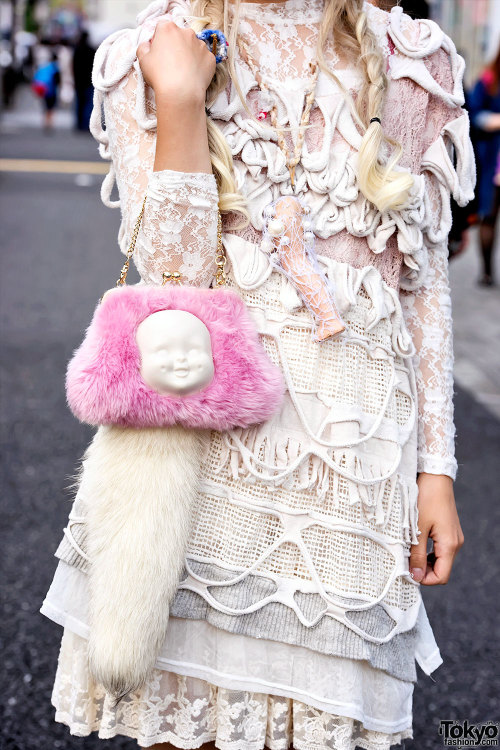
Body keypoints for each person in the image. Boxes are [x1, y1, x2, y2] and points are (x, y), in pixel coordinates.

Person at [40, 0, 473, 747]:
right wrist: (178, 100)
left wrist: (437, 470)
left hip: (351, 470)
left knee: (329, 725)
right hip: (203, 464)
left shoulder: (413, 58)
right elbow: (171, 275)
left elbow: (423, 283)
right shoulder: (152, 50)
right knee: (192, 725)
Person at [468, 44, 500, 286]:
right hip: (494, 161)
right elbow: (473, 114)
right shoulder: (489, 79)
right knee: (488, 216)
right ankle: (487, 270)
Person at [72, 30, 96, 131]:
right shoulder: (92, 50)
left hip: (78, 82)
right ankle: (86, 124)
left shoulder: (77, 50)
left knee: (79, 103)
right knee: (88, 104)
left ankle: (78, 123)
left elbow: (73, 67)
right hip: (89, 81)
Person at [31, 50, 60, 132]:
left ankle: (45, 122)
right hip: (52, 91)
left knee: (46, 106)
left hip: (44, 90)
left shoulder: (45, 67)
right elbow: (57, 81)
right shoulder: (56, 68)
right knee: (51, 107)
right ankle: (50, 123)